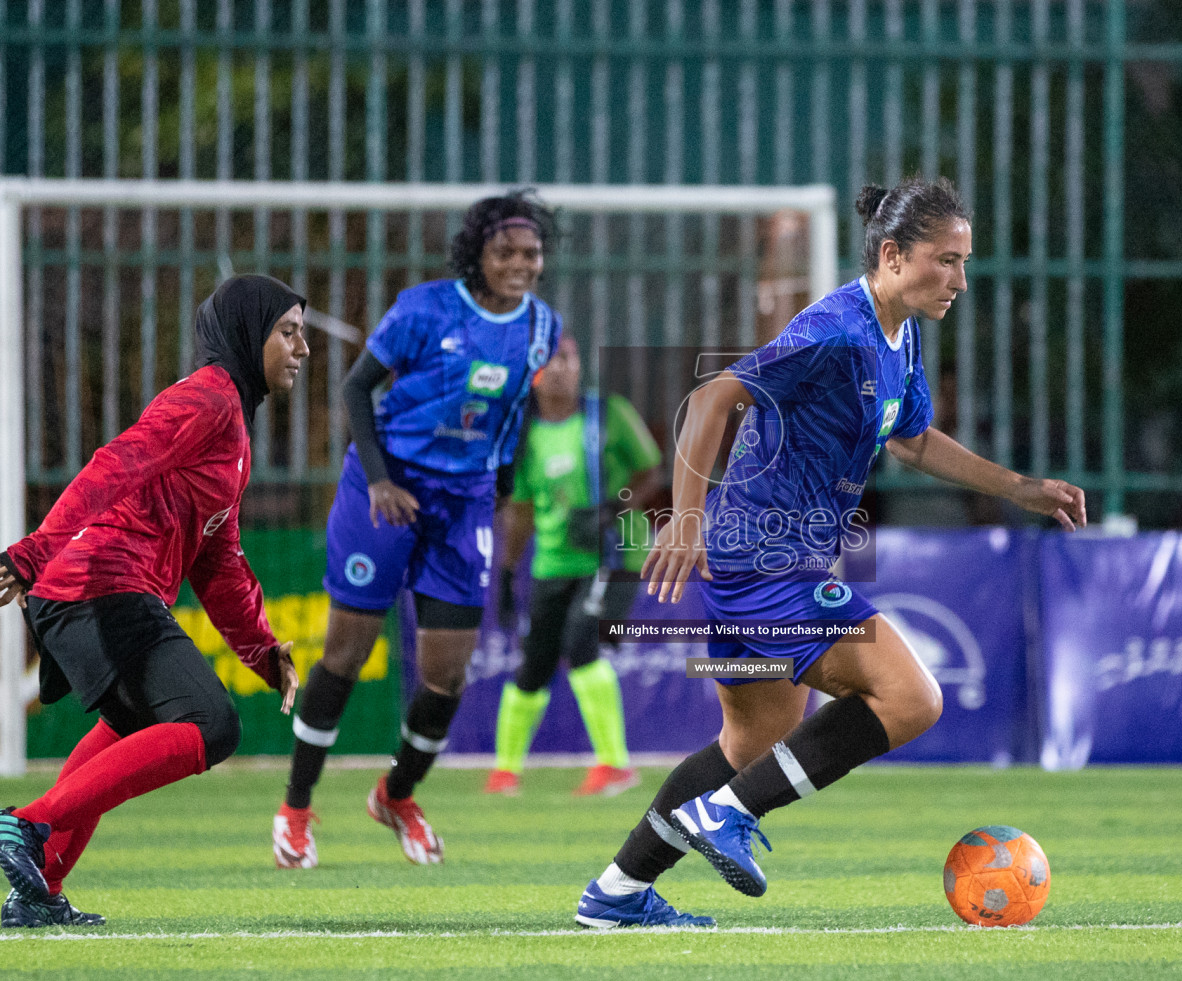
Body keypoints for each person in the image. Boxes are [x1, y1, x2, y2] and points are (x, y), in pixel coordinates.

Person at [573, 178, 1086, 928]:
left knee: (751, 741)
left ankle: (614, 894)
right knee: (912, 699)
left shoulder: (897, 334)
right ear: (891, 254)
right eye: (945, 261)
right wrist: (683, 521)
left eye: (964, 262)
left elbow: (908, 438)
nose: (960, 280)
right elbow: (716, 396)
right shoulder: (835, 331)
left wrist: (1017, 487)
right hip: (764, 562)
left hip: (777, 561)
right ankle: (726, 814)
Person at [0, 275, 307, 927]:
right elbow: (119, 462)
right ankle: (24, 826)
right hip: (100, 580)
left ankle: (38, 891)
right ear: (250, 335)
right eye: (288, 331)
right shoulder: (209, 398)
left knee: (131, 726)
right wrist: (36, 549)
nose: (302, 346)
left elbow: (218, 561)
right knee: (212, 725)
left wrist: (260, 649)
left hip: (85, 589)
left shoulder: (234, 430)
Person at [273, 190, 560, 869]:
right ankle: (295, 807)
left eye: (531, 253)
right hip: (386, 488)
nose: (520, 264)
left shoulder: (541, 325)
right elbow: (354, 390)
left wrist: (500, 492)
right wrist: (378, 481)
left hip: (462, 505)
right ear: (477, 255)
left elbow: (513, 415)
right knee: (345, 654)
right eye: (505, 252)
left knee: (446, 677)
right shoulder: (424, 308)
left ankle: (396, 796)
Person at [486, 334, 663, 798]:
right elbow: (521, 510)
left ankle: (615, 766)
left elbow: (651, 472)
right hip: (552, 563)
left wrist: (612, 508)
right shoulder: (525, 433)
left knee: (581, 641)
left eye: (568, 357)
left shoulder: (608, 414)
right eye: (549, 360)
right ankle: (505, 773)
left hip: (616, 555)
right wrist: (506, 574)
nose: (560, 368)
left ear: (580, 365)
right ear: (534, 374)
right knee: (535, 662)